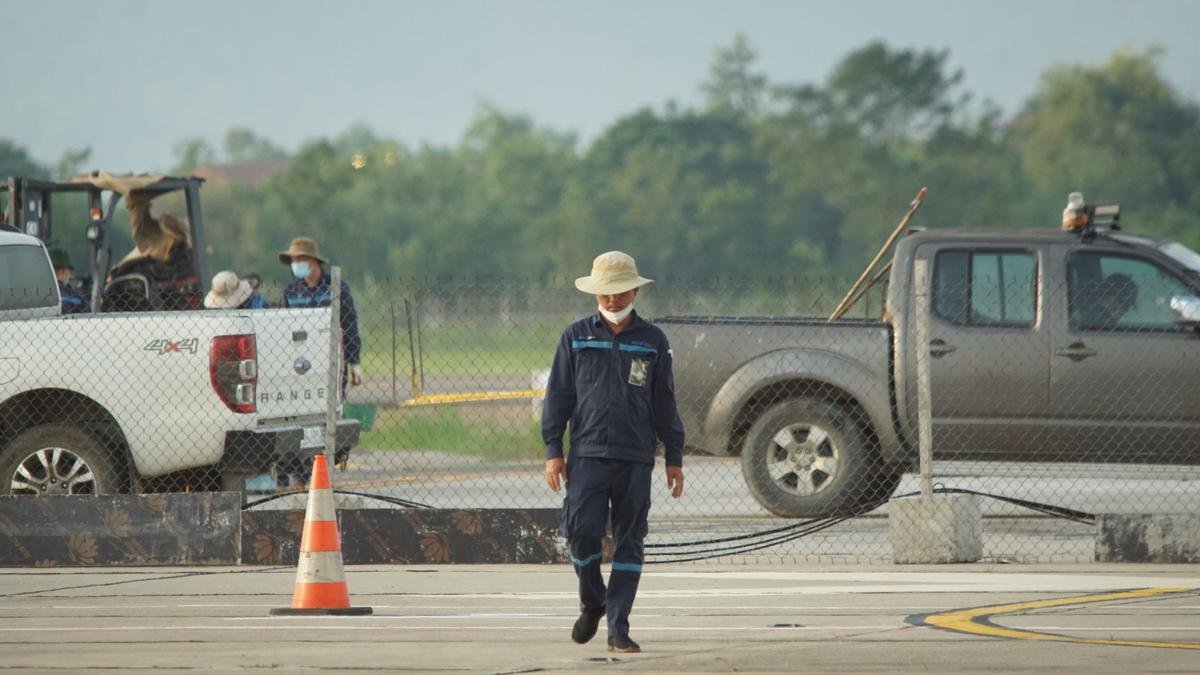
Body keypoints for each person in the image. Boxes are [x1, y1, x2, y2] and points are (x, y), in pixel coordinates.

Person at [542, 250, 685, 654]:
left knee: (630, 540)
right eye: (605, 292)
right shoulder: (575, 336)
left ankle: (618, 625)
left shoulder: (653, 341)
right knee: (582, 530)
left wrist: (674, 456)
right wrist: (554, 449)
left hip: (636, 456)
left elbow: (665, 402)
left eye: (620, 291)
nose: (612, 299)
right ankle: (594, 601)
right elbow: (559, 396)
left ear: (635, 289)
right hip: (586, 454)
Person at [277, 236, 363, 489]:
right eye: (293, 260)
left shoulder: (336, 288)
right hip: (298, 367)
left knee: (327, 420)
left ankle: (321, 472)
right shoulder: (291, 292)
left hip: (331, 364)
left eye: (301, 259)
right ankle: (298, 476)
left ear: (313, 261)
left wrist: (354, 362)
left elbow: (349, 325)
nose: (296, 264)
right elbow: (281, 329)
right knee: (297, 421)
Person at [49, 247, 90, 314]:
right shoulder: (73, 298)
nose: (69, 274)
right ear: (63, 271)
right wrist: (82, 293)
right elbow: (87, 310)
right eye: (68, 270)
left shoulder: (38, 293)